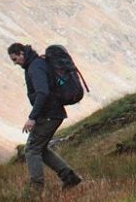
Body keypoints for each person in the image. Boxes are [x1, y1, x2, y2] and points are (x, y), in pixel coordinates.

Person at [7, 42, 82, 192]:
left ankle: (36, 189)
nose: (15, 63)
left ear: (22, 53)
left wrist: (32, 117)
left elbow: (43, 92)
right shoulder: (36, 64)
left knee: (31, 149)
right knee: (40, 148)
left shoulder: (35, 67)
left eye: (15, 59)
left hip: (49, 114)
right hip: (52, 114)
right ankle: (70, 178)